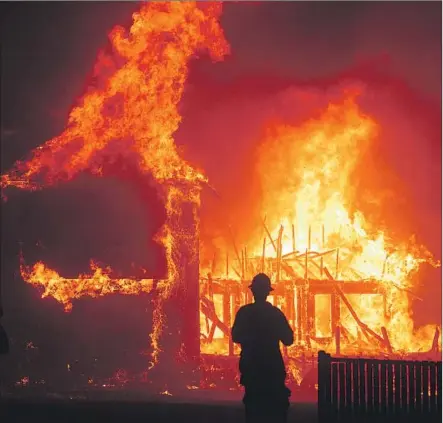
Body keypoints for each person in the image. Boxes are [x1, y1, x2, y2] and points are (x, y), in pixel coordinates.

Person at [231, 273, 294, 423]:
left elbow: (236, 337)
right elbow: (289, 340)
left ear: (253, 292)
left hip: (251, 369)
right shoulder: (275, 314)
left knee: (254, 411)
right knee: (275, 411)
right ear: (268, 292)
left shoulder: (244, 313)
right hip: (272, 369)